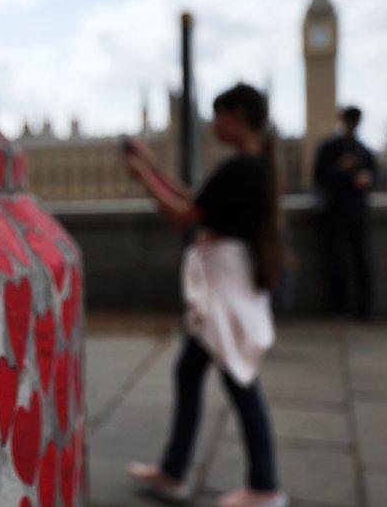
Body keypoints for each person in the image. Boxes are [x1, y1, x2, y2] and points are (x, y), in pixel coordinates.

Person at [121, 84, 287, 507]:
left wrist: (142, 178)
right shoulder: (255, 166)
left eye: (219, 115)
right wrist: (153, 163)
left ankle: (264, 487)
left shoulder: (241, 169)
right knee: (193, 371)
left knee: (239, 378)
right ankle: (174, 472)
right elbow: (196, 200)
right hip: (231, 278)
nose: (214, 125)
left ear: (237, 115)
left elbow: (182, 215)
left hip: (224, 284)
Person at [313, 107, 376, 319]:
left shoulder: (362, 149)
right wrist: (341, 168)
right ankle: (339, 307)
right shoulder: (331, 148)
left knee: (360, 259)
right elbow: (320, 177)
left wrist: (365, 180)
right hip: (335, 211)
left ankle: (364, 309)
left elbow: (373, 175)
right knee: (337, 260)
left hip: (356, 211)